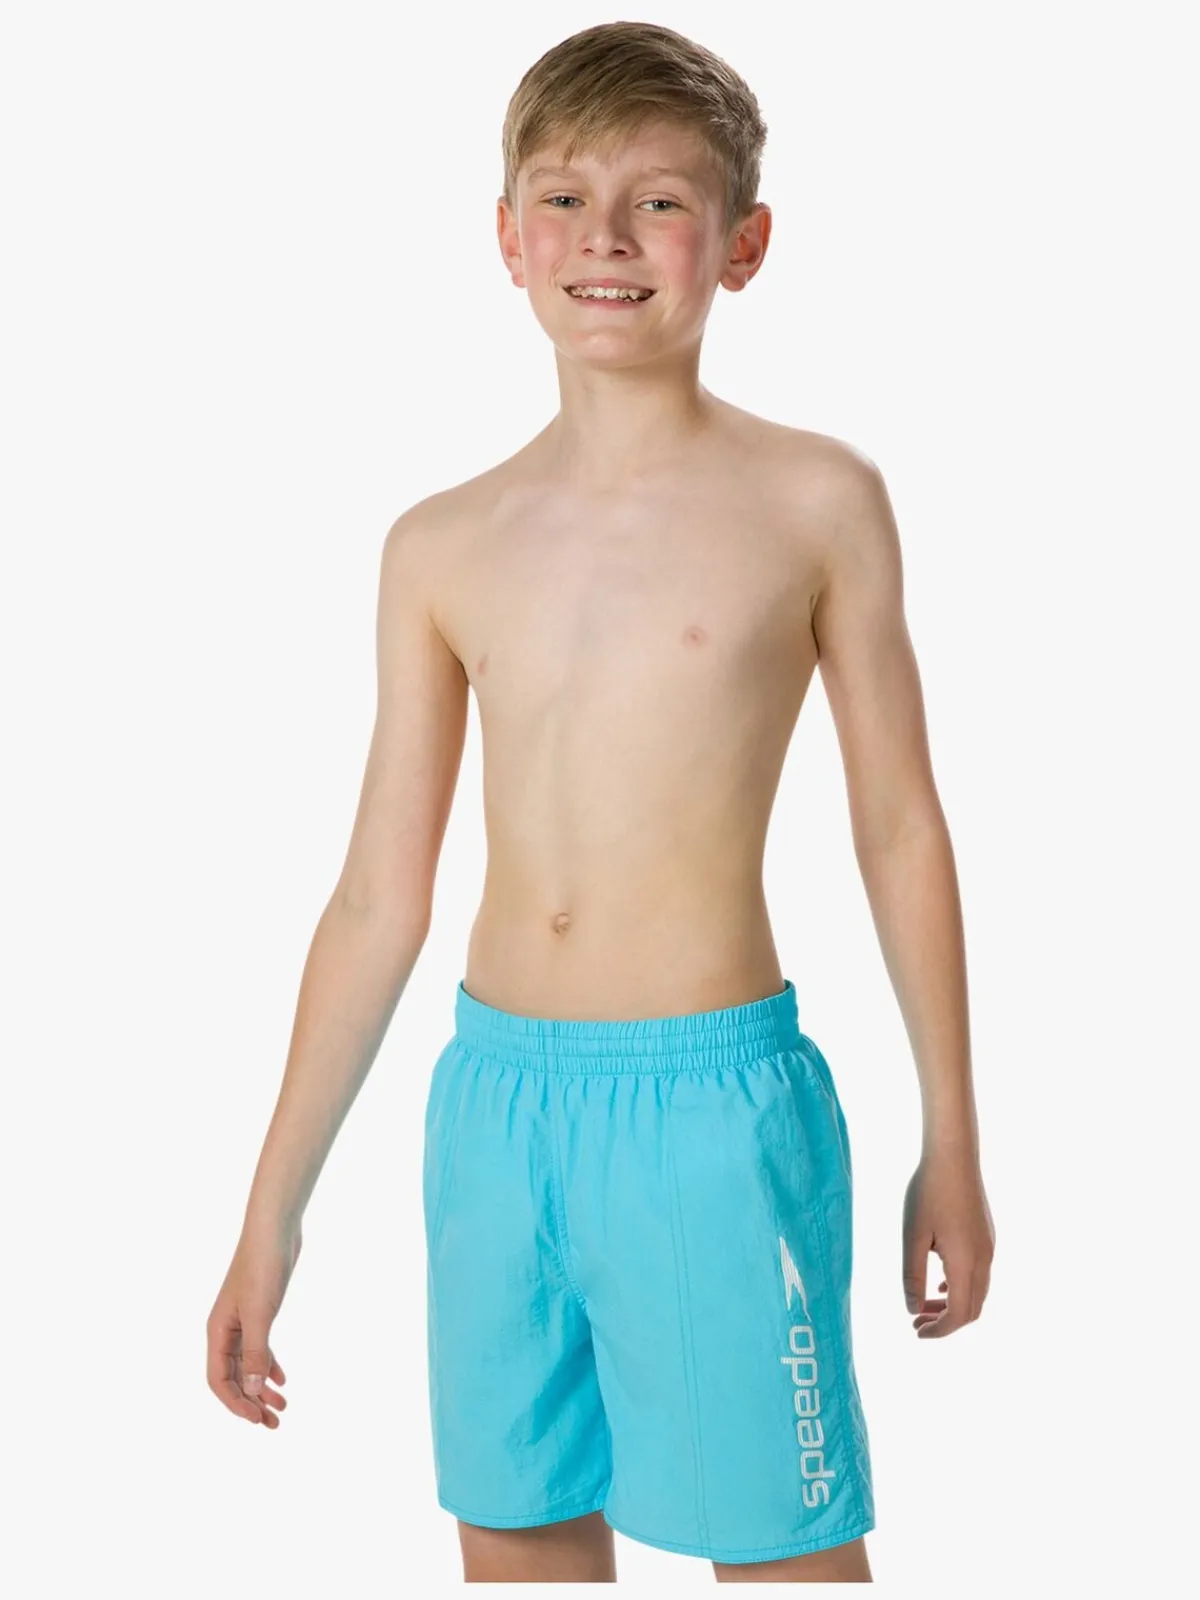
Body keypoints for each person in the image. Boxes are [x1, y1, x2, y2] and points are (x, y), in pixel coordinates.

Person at [206, 19, 995, 1584]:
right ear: (507, 239)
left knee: (782, 1550)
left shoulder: (816, 502)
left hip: (713, 1110)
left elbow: (900, 826)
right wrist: (270, 1212)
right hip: (495, 1109)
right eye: (564, 199)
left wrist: (952, 1137)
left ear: (743, 244)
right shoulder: (442, 543)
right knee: (516, 1535)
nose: (606, 238)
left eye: (660, 202)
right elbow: (376, 895)